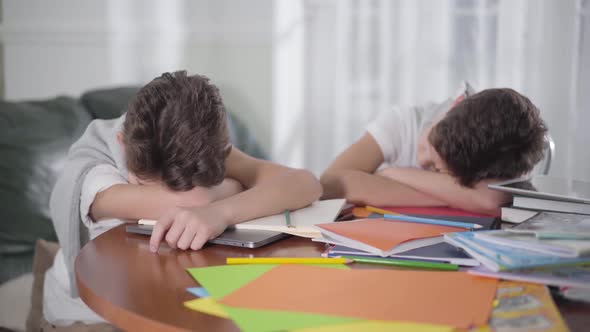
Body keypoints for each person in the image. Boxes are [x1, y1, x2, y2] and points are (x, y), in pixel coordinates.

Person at [44, 71, 322, 327]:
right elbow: (195, 200)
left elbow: (306, 184)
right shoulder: (96, 170)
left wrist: (222, 212)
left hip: (170, 293)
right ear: (122, 143)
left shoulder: (196, 147)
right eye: (146, 185)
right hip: (90, 315)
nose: (174, 191)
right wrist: (234, 186)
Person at [320, 82, 547, 216]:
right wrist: (457, 196)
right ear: (457, 102)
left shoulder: (501, 153)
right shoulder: (401, 123)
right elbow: (331, 183)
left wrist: (391, 175)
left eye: (438, 171)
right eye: (429, 142)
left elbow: (490, 200)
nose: (421, 160)